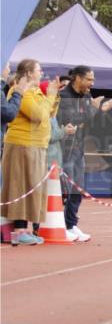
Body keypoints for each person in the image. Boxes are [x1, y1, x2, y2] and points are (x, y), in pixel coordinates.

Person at [0, 59, 59, 245]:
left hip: (36, 146)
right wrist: (49, 97)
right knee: (21, 186)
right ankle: (19, 230)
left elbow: (50, 114)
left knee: (32, 187)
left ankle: (26, 228)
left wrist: (54, 96)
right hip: (22, 145)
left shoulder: (34, 92)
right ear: (28, 73)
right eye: (39, 70)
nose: (41, 73)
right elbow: (38, 115)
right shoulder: (21, 92)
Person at [57, 66, 112, 241]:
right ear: (78, 79)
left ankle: (71, 224)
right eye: (89, 79)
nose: (92, 83)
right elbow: (71, 120)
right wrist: (94, 109)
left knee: (78, 189)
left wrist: (99, 111)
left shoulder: (87, 96)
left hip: (79, 148)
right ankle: (57, 225)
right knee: (63, 189)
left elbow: (89, 122)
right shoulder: (64, 96)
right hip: (64, 150)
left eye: (93, 80)